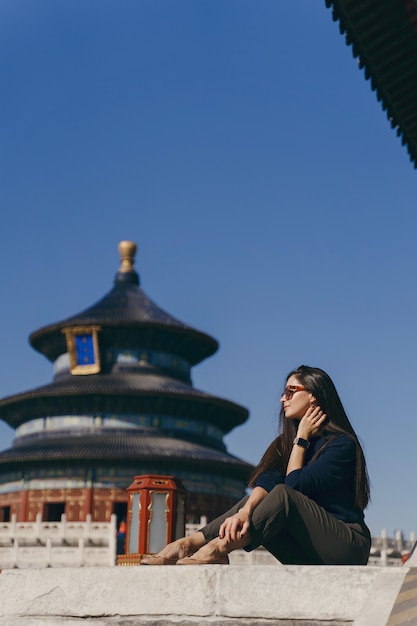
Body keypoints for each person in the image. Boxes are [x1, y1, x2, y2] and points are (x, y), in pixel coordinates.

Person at [141, 365, 371, 566]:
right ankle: (188, 543)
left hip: (345, 546)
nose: (283, 399)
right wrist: (245, 512)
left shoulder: (341, 445)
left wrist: (301, 439)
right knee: (253, 500)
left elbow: (294, 487)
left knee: (283, 494)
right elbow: (268, 479)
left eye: (291, 391)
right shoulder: (284, 443)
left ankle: (218, 549)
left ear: (314, 396)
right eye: (284, 393)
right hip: (306, 550)